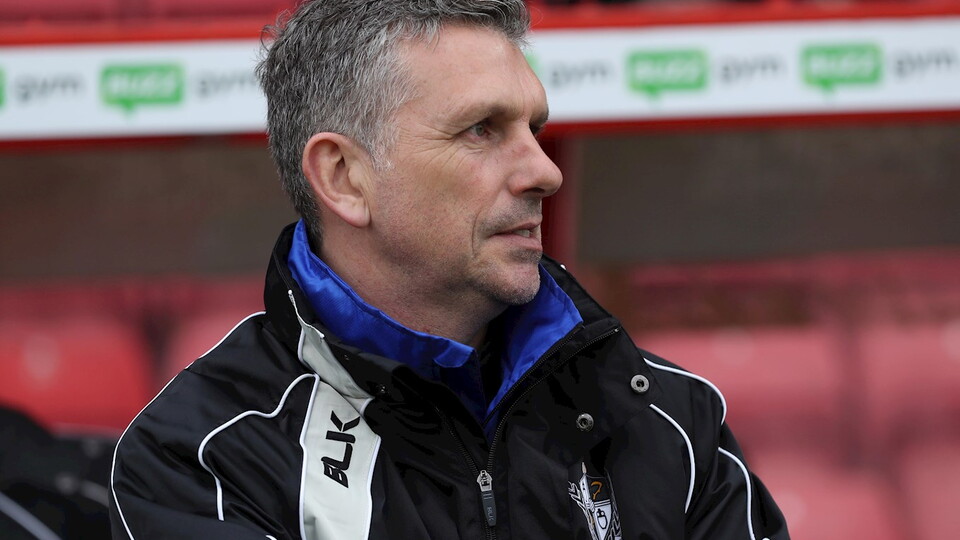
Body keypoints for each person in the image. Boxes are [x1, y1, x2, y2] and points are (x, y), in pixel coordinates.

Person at [109, 1, 789, 538]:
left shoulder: (667, 418)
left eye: (534, 129)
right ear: (343, 177)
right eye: (481, 130)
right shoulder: (204, 458)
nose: (545, 171)